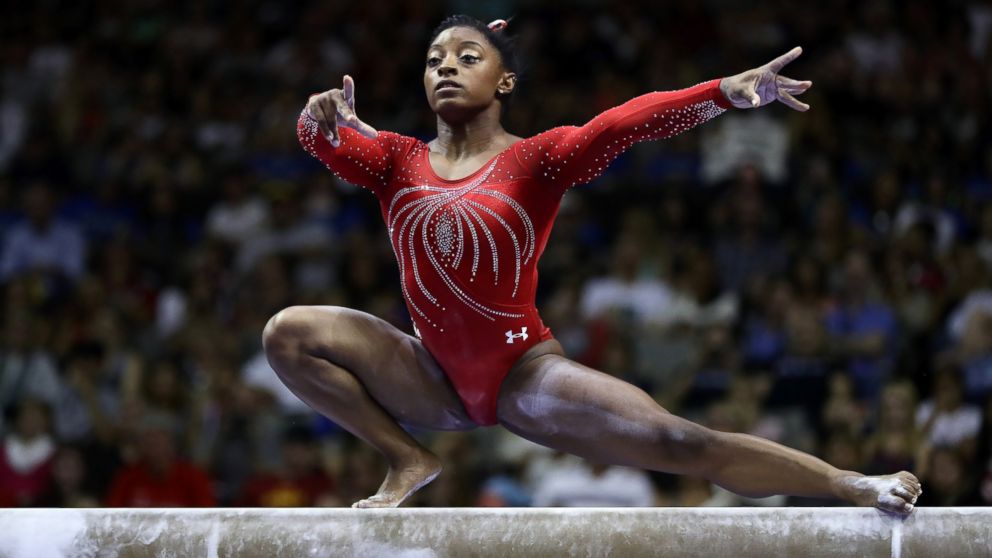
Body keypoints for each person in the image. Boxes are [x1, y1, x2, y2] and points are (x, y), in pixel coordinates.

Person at [264, 15, 921, 512]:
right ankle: (407, 457)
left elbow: (622, 125)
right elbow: (313, 139)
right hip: (428, 376)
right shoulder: (395, 161)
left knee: (678, 443)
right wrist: (321, 114)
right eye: (434, 59)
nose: (446, 67)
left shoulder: (536, 159)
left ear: (506, 80)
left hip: (525, 376)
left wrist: (723, 91)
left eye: (468, 56)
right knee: (288, 333)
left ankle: (850, 483)